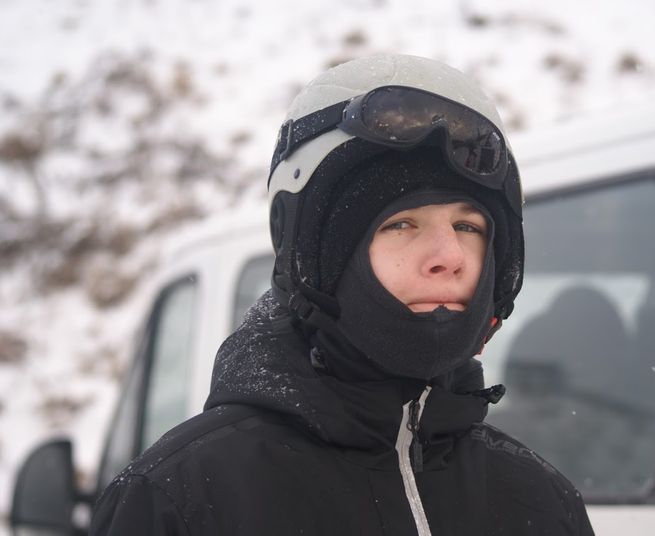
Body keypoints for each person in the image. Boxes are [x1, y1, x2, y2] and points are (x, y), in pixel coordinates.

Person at [89, 54, 595, 535]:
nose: (449, 256)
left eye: (468, 226)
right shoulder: (181, 498)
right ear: (317, 257)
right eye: (401, 224)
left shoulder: (542, 501)